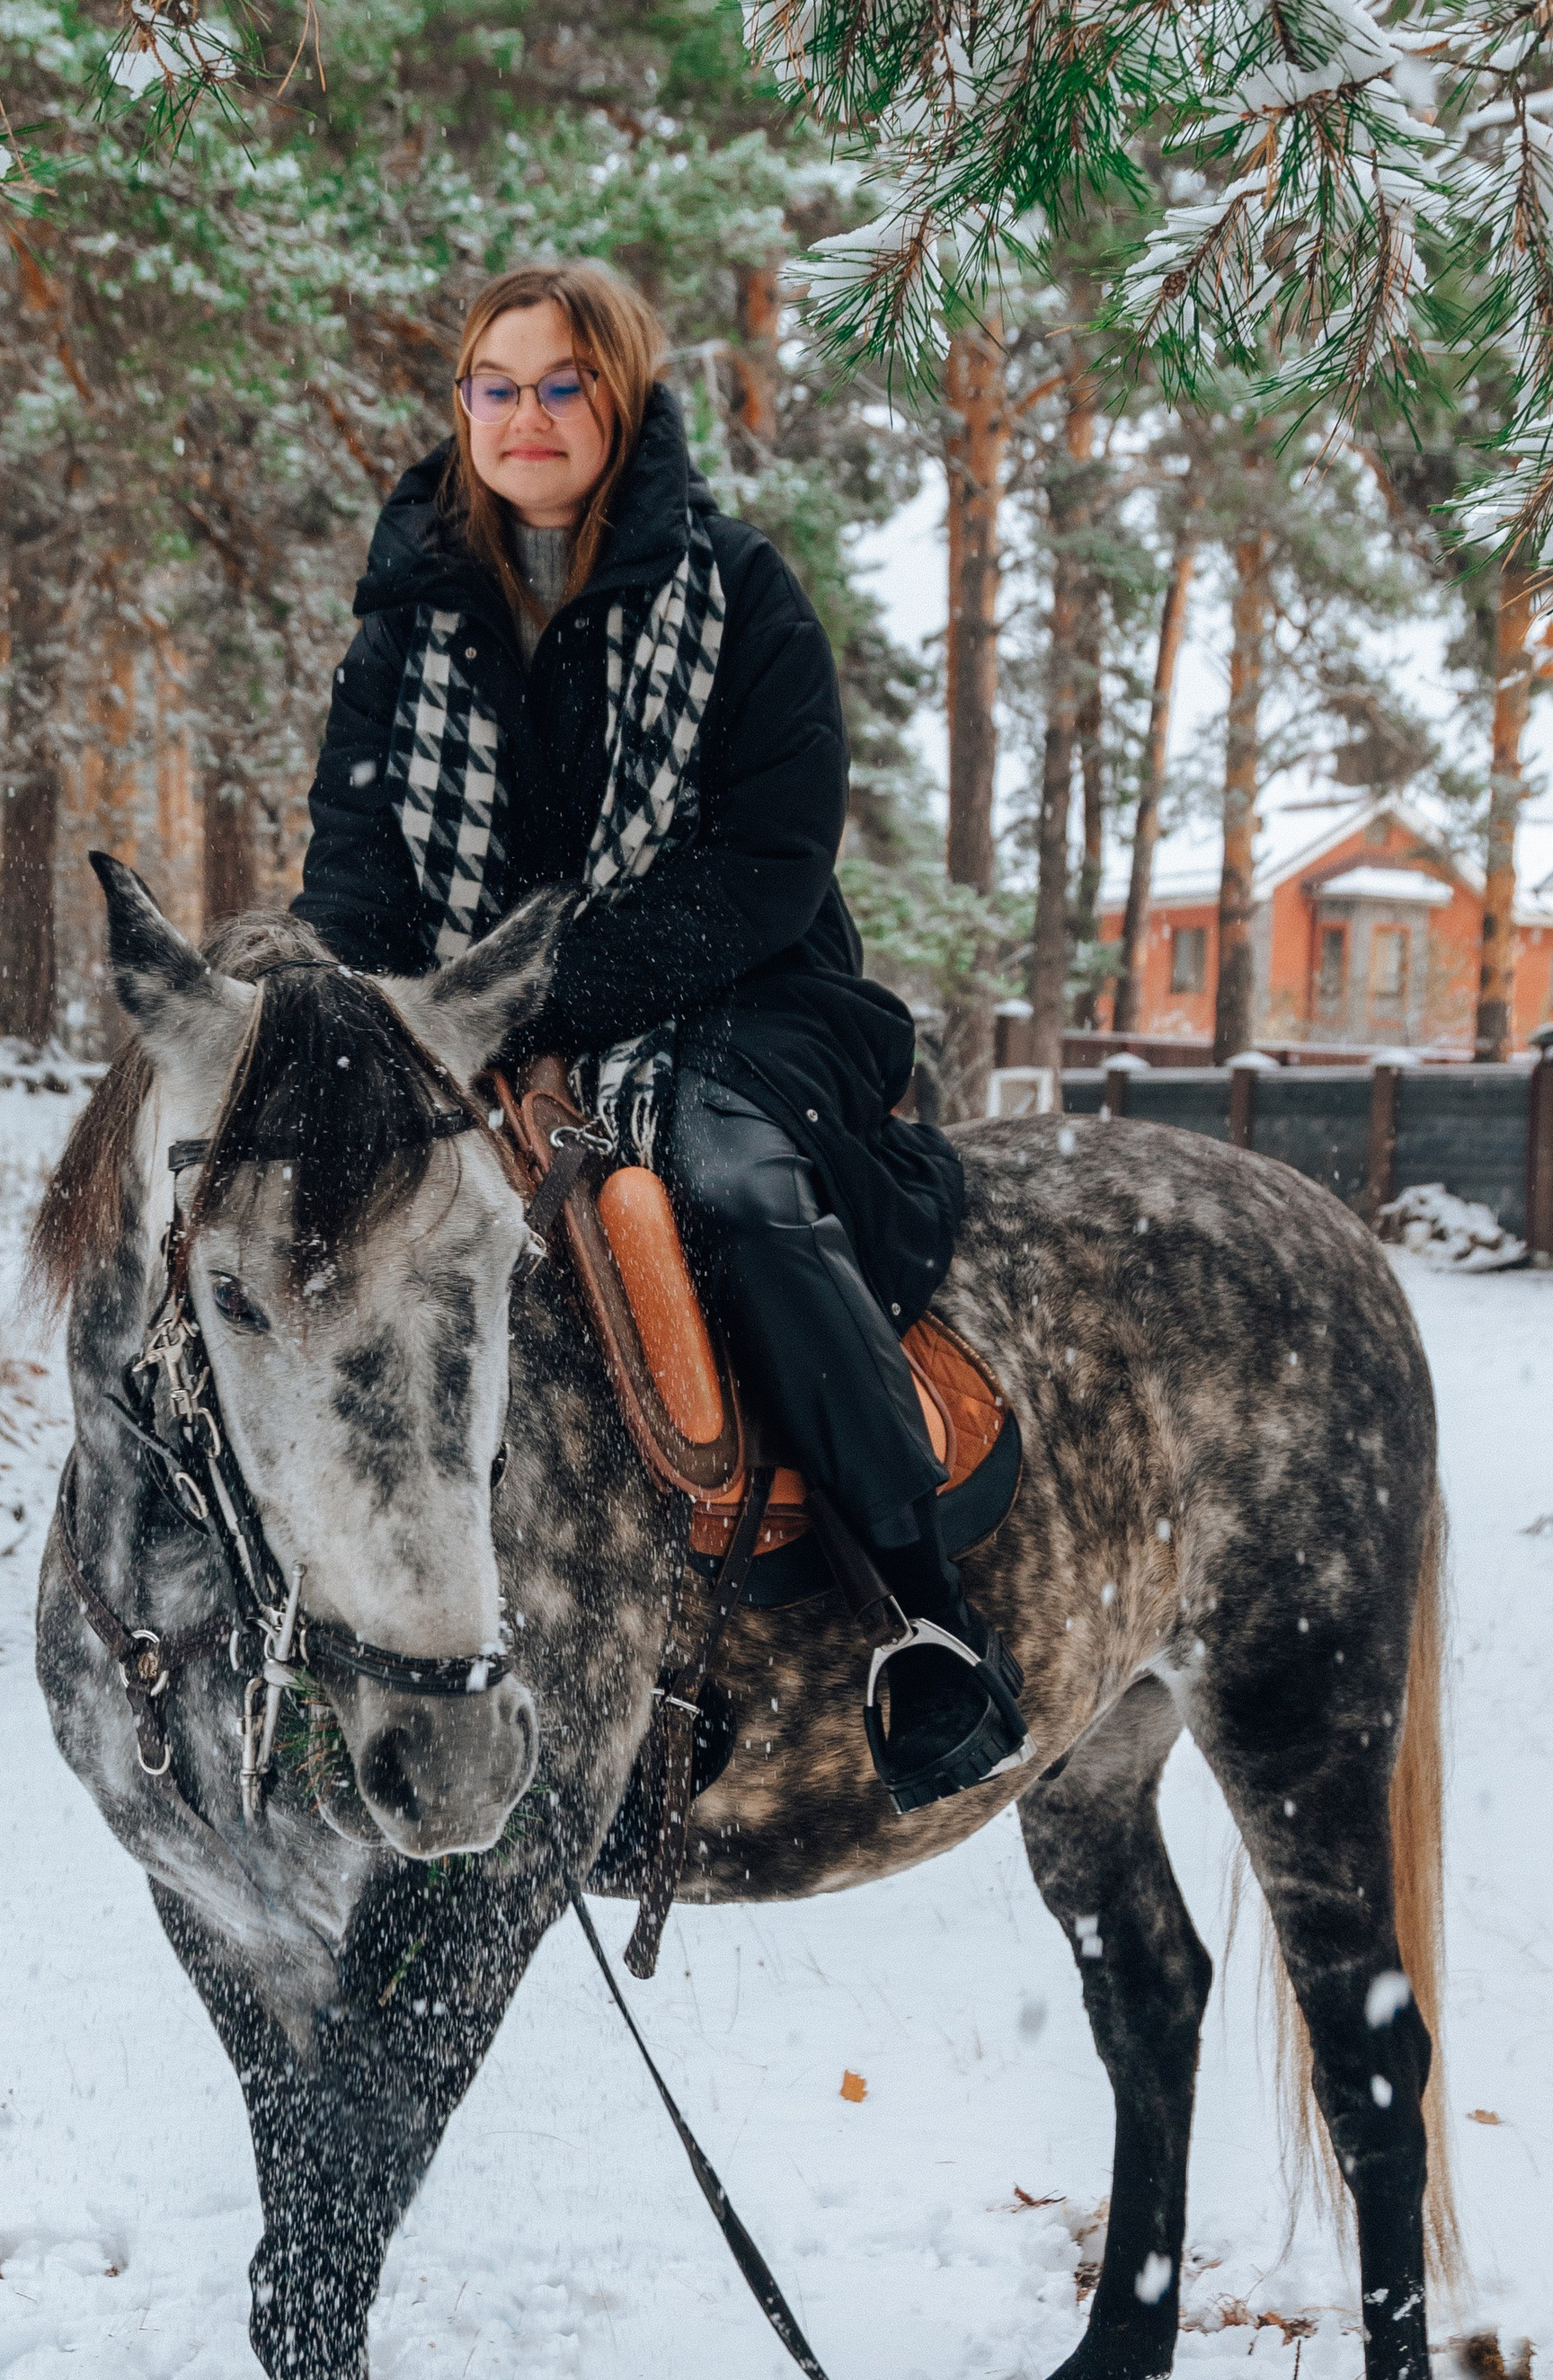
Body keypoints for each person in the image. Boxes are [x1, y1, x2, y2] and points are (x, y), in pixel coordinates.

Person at [293, 260, 1023, 1811]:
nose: (527, 415)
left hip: (747, 999)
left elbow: (770, 863)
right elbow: (353, 872)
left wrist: (542, 1003)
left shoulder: (737, 589)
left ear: (621, 400)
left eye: (565, 384)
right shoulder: (401, 622)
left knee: (726, 1189)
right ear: (463, 408)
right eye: (498, 385)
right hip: (468, 1025)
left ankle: (918, 1619)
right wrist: (376, 1021)